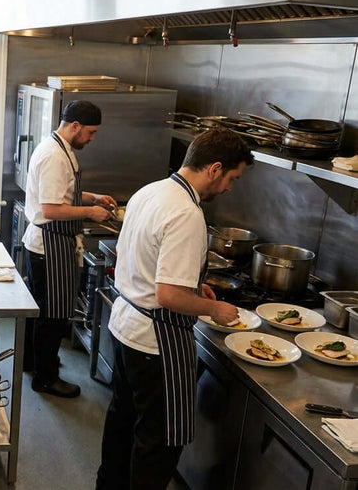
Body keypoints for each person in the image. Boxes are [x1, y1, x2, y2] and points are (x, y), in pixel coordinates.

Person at [96, 128, 253, 489]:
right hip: (157, 343)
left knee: (122, 423)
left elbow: (131, 256)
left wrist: (193, 286)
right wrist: (215, 311)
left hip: (125, 327)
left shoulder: (150, 191)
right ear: (214, 168)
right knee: (161, 441)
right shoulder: (187, 213)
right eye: (232, 178)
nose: (230, 187)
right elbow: (168, 296)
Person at [22, 100, 116, 398]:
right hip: (49, 246)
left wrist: (93, 197)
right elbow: (50, 209)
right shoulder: (54, 156)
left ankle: (35, 362)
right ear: (74, 126)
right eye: (90, 132)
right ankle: (45, 378)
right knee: (52, 315)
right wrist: (90, 213)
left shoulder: (59, 148)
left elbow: (61, 192)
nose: (92, 138)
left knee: (42, 312)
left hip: (50, 244)